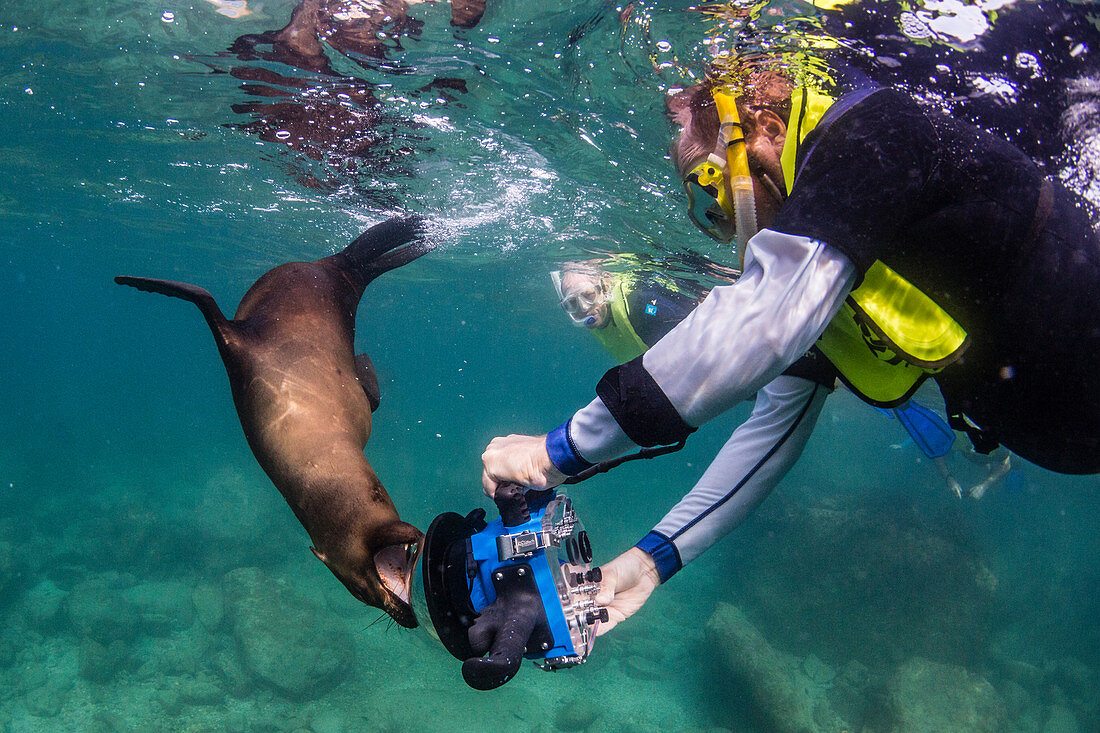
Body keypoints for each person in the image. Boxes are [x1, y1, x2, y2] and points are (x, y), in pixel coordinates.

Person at [482, 59, 1100, 635]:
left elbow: (763, 324)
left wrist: (557, 451)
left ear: (767, 130)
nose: (723, 222)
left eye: (713, 184)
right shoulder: (833, 262)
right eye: (705, 208)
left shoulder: (876, 135)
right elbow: (770, 433)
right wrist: (652, 561)